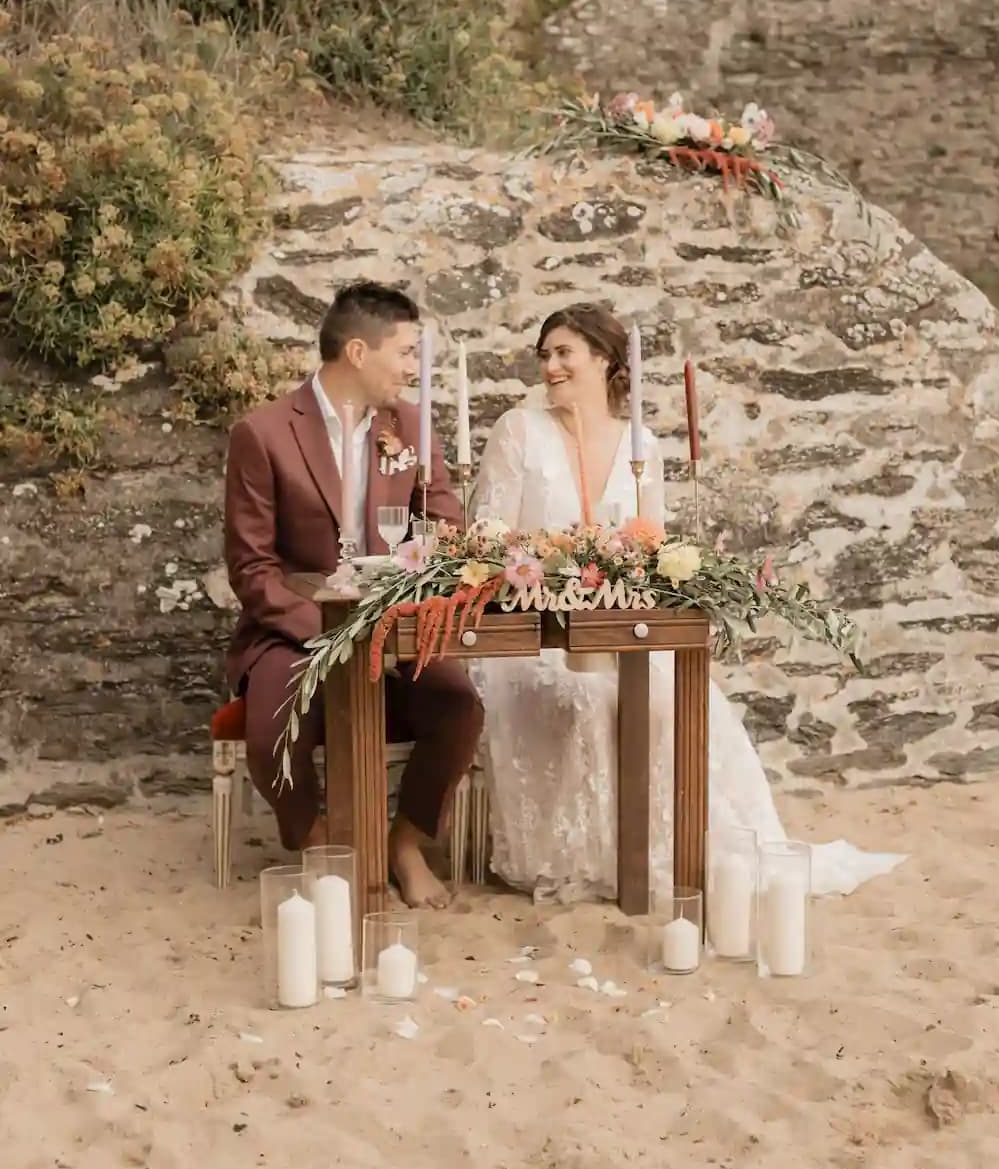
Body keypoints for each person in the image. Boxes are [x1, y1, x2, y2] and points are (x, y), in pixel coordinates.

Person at [470, 302, 903, 903]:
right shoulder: (519, 430)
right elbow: (488, 533)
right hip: (534, 635)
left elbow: (652, 545)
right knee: (589, 696)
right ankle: (594, 861)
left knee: (682, 697)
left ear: (603, 360)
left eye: (564, 352)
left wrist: (628, 570)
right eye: (544, 355)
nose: (550, 366)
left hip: (621, 627)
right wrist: (546, 564)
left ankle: (678, 850)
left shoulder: (641, 442)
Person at [224, 281, 484, 908]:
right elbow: (252, 567)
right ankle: (316, 839)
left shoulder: (412, 426)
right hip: (295, 630)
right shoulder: (261, 434)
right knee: (270, 734)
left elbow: (448, 532)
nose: (414, 369)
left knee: (459, 709)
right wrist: (328, 627)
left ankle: (405, 841)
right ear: (360, 353)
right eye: (406, 352)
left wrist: (423, 598)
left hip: (393, 628)